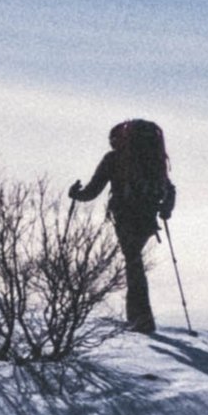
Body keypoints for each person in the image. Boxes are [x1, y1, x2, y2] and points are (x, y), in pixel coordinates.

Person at [69, 118, 176, 334]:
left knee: (133, 264)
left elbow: (92, 191)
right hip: (147, 218)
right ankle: (139, 318)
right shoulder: (152, 159)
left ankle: (141, 320)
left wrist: (75, 194)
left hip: (126, 216)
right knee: (134, 262)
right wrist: (166, 210)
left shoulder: (114, 159)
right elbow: (169, 188)